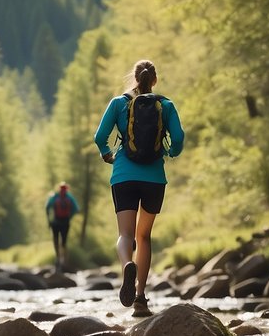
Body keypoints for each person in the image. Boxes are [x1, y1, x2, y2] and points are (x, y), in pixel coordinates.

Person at [93, 59, 185, 317]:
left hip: (123, 175)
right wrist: (170, 151)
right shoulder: (165, 105)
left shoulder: (118, 103)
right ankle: (140, 299)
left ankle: (126, 266)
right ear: (154, 80)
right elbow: (178, 139)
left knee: (126, 235)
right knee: (144, 237)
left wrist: (106, 153)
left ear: (134, 78)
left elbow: (100, 137)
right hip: (154, 178)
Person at [45, 182, 79, 271]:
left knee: (56, 240)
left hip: (56, 222)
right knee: (64, 242)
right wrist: (69, 216)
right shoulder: (69, 197)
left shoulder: (54, 196)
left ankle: (58, 259)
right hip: (65, 222)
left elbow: (47, 207)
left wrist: (49, 219)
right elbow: (76, 209)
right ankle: (64, 260)